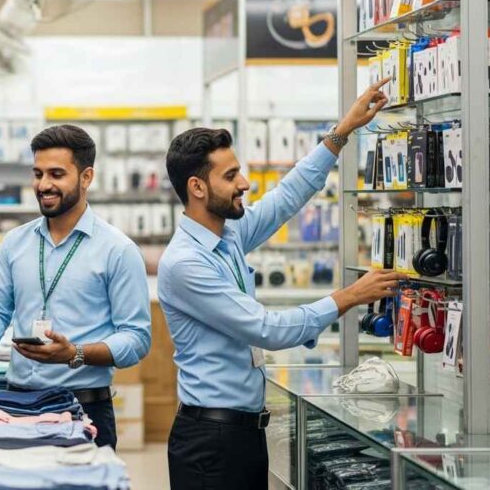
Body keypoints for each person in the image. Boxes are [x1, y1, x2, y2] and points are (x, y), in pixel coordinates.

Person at [158, 79, 407, 490]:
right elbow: (266, 330)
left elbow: (287, 195)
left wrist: (342, 131)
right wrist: (348, 297)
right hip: (210, 441)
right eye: (231, 175)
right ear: (197, 188)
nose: (244, 184)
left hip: (242, 433)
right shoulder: (186, 263)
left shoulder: (228, 235)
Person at [0, 124, 152, 448]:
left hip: (83, 408)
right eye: (38, 173)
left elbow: (137, 340)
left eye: (56, 174)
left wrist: (74, 353)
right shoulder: (15, 243)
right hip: (17, 406)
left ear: (86, 177)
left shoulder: (118, 250)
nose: (43, 185)